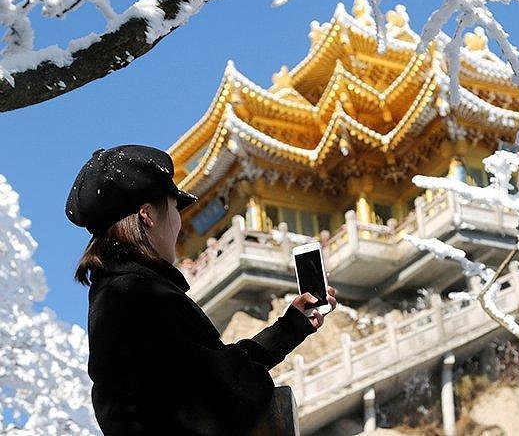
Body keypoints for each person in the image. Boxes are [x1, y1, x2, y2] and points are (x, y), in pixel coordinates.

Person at [65, 144, 337, 435]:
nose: (180, 223)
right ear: (147, 215)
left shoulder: (117, 293)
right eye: (173, 207)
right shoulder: (143, 297)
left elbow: (212, 372)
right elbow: (220, 397)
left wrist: (290, 328)